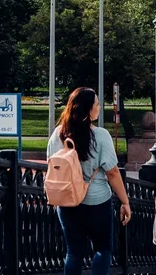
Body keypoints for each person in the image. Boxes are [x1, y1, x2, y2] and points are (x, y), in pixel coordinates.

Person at [47, 87, 132, 275]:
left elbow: (51, 165)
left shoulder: (58, 135)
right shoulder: (100, 136)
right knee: (103, 249)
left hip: (67, 201)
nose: (99, 107)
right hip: (97, 202)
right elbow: (113, 173)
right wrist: (125, 202)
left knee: (73, 252)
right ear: (88, 110)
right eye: (97, 104)